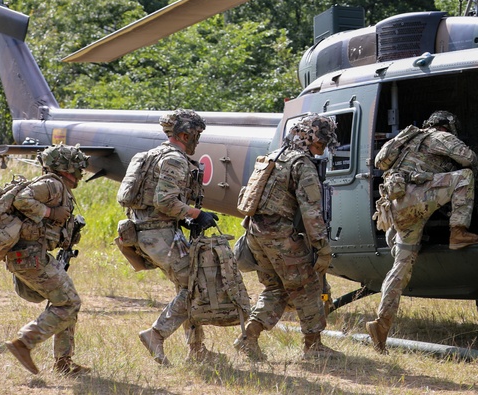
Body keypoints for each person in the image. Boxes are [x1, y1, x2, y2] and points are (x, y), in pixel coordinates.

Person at [366, 110, 478, 353]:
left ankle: (381, 325)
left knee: (401, 268)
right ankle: (458, 232)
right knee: (465, 177)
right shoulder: (440, 136)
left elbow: (378, 162)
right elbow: (469, 158)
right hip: (417, 199)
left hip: (396, 206)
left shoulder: (408, 138)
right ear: (447, 126)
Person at [234, 114, 337, 361]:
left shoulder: (273, 157)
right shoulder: (302, 165)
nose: (320, 150)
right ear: (309, 140)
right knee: (308, 284)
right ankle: (313, 347)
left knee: (276, 287)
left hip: (255, 233)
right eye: (319, 145)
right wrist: (322, 248)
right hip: (279, 236)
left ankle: (249, 336)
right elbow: (312, 212)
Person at [125, 109, 221, 365]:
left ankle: (197, 349)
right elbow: (165, 200)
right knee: (195, 284)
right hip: (160, 235)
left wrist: (186, 218)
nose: (197, 141)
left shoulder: (153, 155)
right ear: (183, 134)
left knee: (187, 285)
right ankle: (156, 334)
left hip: (150, 232)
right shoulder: (174, 159)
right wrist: (197, 214)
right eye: (196, 135)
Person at [3, 144, 89, 376]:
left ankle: (63, 362)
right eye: (78, 166)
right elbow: (23, 199)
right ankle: (24, 343)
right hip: (30, 257)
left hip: (32, 256)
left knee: (64, 301)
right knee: (69, 303)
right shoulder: (51, 184)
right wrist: (51, 214)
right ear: (66, 167)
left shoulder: (58, 186)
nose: (82, 171)